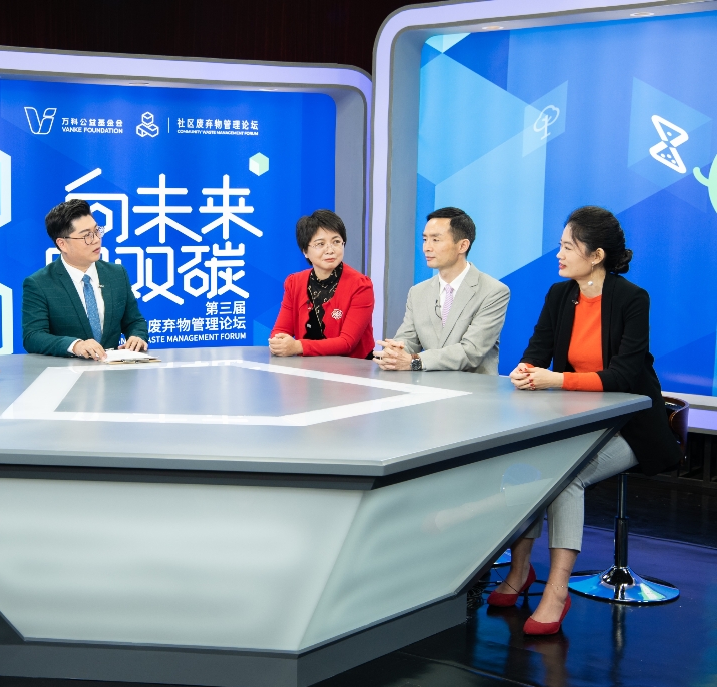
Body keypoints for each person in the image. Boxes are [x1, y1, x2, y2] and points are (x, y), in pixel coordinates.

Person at [491, 206, 682, 635]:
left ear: (596, 255)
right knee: (525, 466)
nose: (558, 254)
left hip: (632, 425)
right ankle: (520, 569)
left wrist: (554, 379)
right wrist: (526, 370)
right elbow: (537, 350)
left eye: (567, 247)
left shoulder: (632, 299)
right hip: (575, 420)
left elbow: (623, 376)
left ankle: (556, 592)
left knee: (566, 477)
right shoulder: (560, 295)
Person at [373, 207, 509, 373]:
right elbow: (408, 339)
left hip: (472, 385)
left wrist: (414, 361)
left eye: (435, 240)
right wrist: (395, 352)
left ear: (462, 245)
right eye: (425, 239)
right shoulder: (417, 292)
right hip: (427, 384)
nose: (426, 247)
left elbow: (471, 351)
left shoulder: (493, 291)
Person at [22, 199, 148, 360]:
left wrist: (137, 336)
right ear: (62, 244)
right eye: (86, 235)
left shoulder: (117, 274)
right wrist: (75, 346)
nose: (96, 239)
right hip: (67, 371)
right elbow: (33, 336)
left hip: (114, 370)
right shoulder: (39, 283)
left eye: (97, 231)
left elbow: (134, 321)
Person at [269, 209, 374, 358]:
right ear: (305, 251)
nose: (330, 250)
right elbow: (280, 331)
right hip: (306, 368)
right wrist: (279, 343)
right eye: (320, 244)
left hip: (352, 367)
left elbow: (347, 343)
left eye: (336, 242)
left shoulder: (360, 286)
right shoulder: (294, 283)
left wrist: (298, 346)